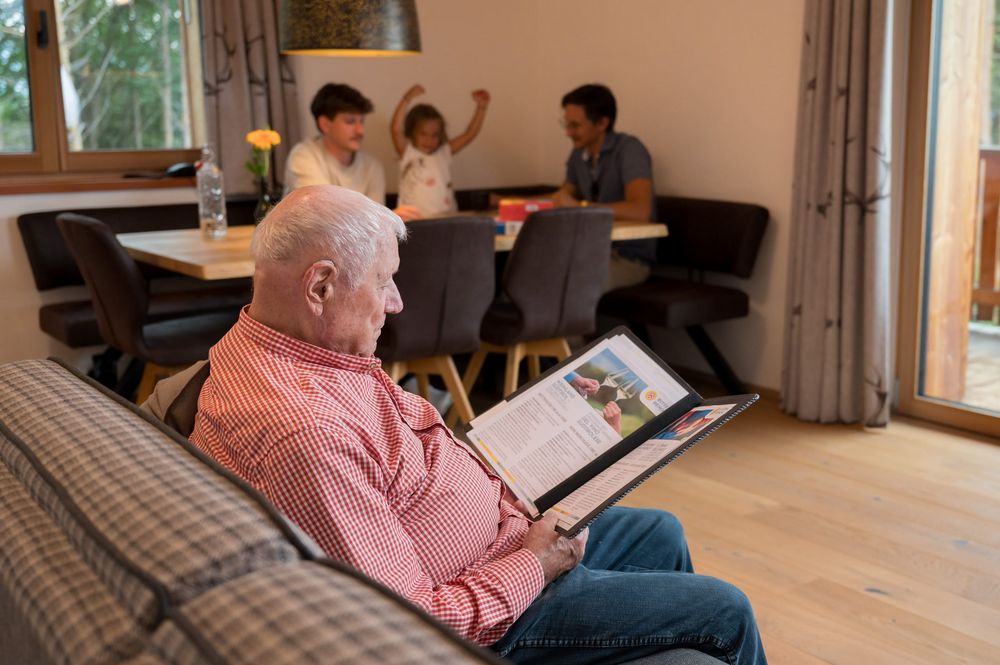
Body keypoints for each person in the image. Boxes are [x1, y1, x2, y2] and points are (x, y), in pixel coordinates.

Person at [188, 185, 767, 665]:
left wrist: (503, 482)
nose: (396, 303)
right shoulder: (304, 430)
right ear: (320, 287)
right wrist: (535, 563)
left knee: (661, 530)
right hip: (493, 619)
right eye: (384, 281)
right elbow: (407, 624)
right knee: (725, 609)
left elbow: (400, 451)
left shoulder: (291, 347)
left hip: (499, 534)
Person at [553, 83, 658, 291]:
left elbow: (641, 211)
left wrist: (580, 207)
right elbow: (561, 196)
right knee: (528, 273)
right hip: (588, 251)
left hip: (628, 257)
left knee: (572, 284)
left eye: (575, 125)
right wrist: (500, 201)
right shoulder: (578, 154)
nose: (568, 132)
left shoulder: (629, 150)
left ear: (602, 123)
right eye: (566, 124)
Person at [284, 83, 421, 221]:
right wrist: (385, 219)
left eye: (361, 121)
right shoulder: (304, 156)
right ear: (325, 124)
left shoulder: (372, 166)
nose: (360, 130)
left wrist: (381, 219)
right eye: (350, 122)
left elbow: (374, 220)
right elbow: (321, 217)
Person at [391, 84, 491, 217]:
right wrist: (407, 98)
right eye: (423, 134)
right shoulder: (408, 153)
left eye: (435, 135)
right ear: (412, 132)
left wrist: (481, 108)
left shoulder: (444, 153)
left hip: (446, 218)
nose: (429, 140)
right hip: (414, 220)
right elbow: (396, 129)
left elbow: (470, 134)